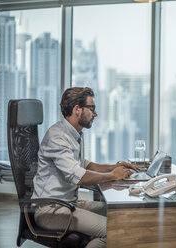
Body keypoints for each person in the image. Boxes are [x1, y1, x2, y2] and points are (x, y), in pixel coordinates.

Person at [32, 87, 138, 248]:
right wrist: (112, 176)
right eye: (92, 109)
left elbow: (85, 165)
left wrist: (114, 167)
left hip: (69, 203)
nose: (95, 114)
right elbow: (79, 176)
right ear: (77, 109)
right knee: (113, 230)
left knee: (119, 213)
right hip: (50, 211)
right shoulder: (57, 137)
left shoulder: (74, 134)